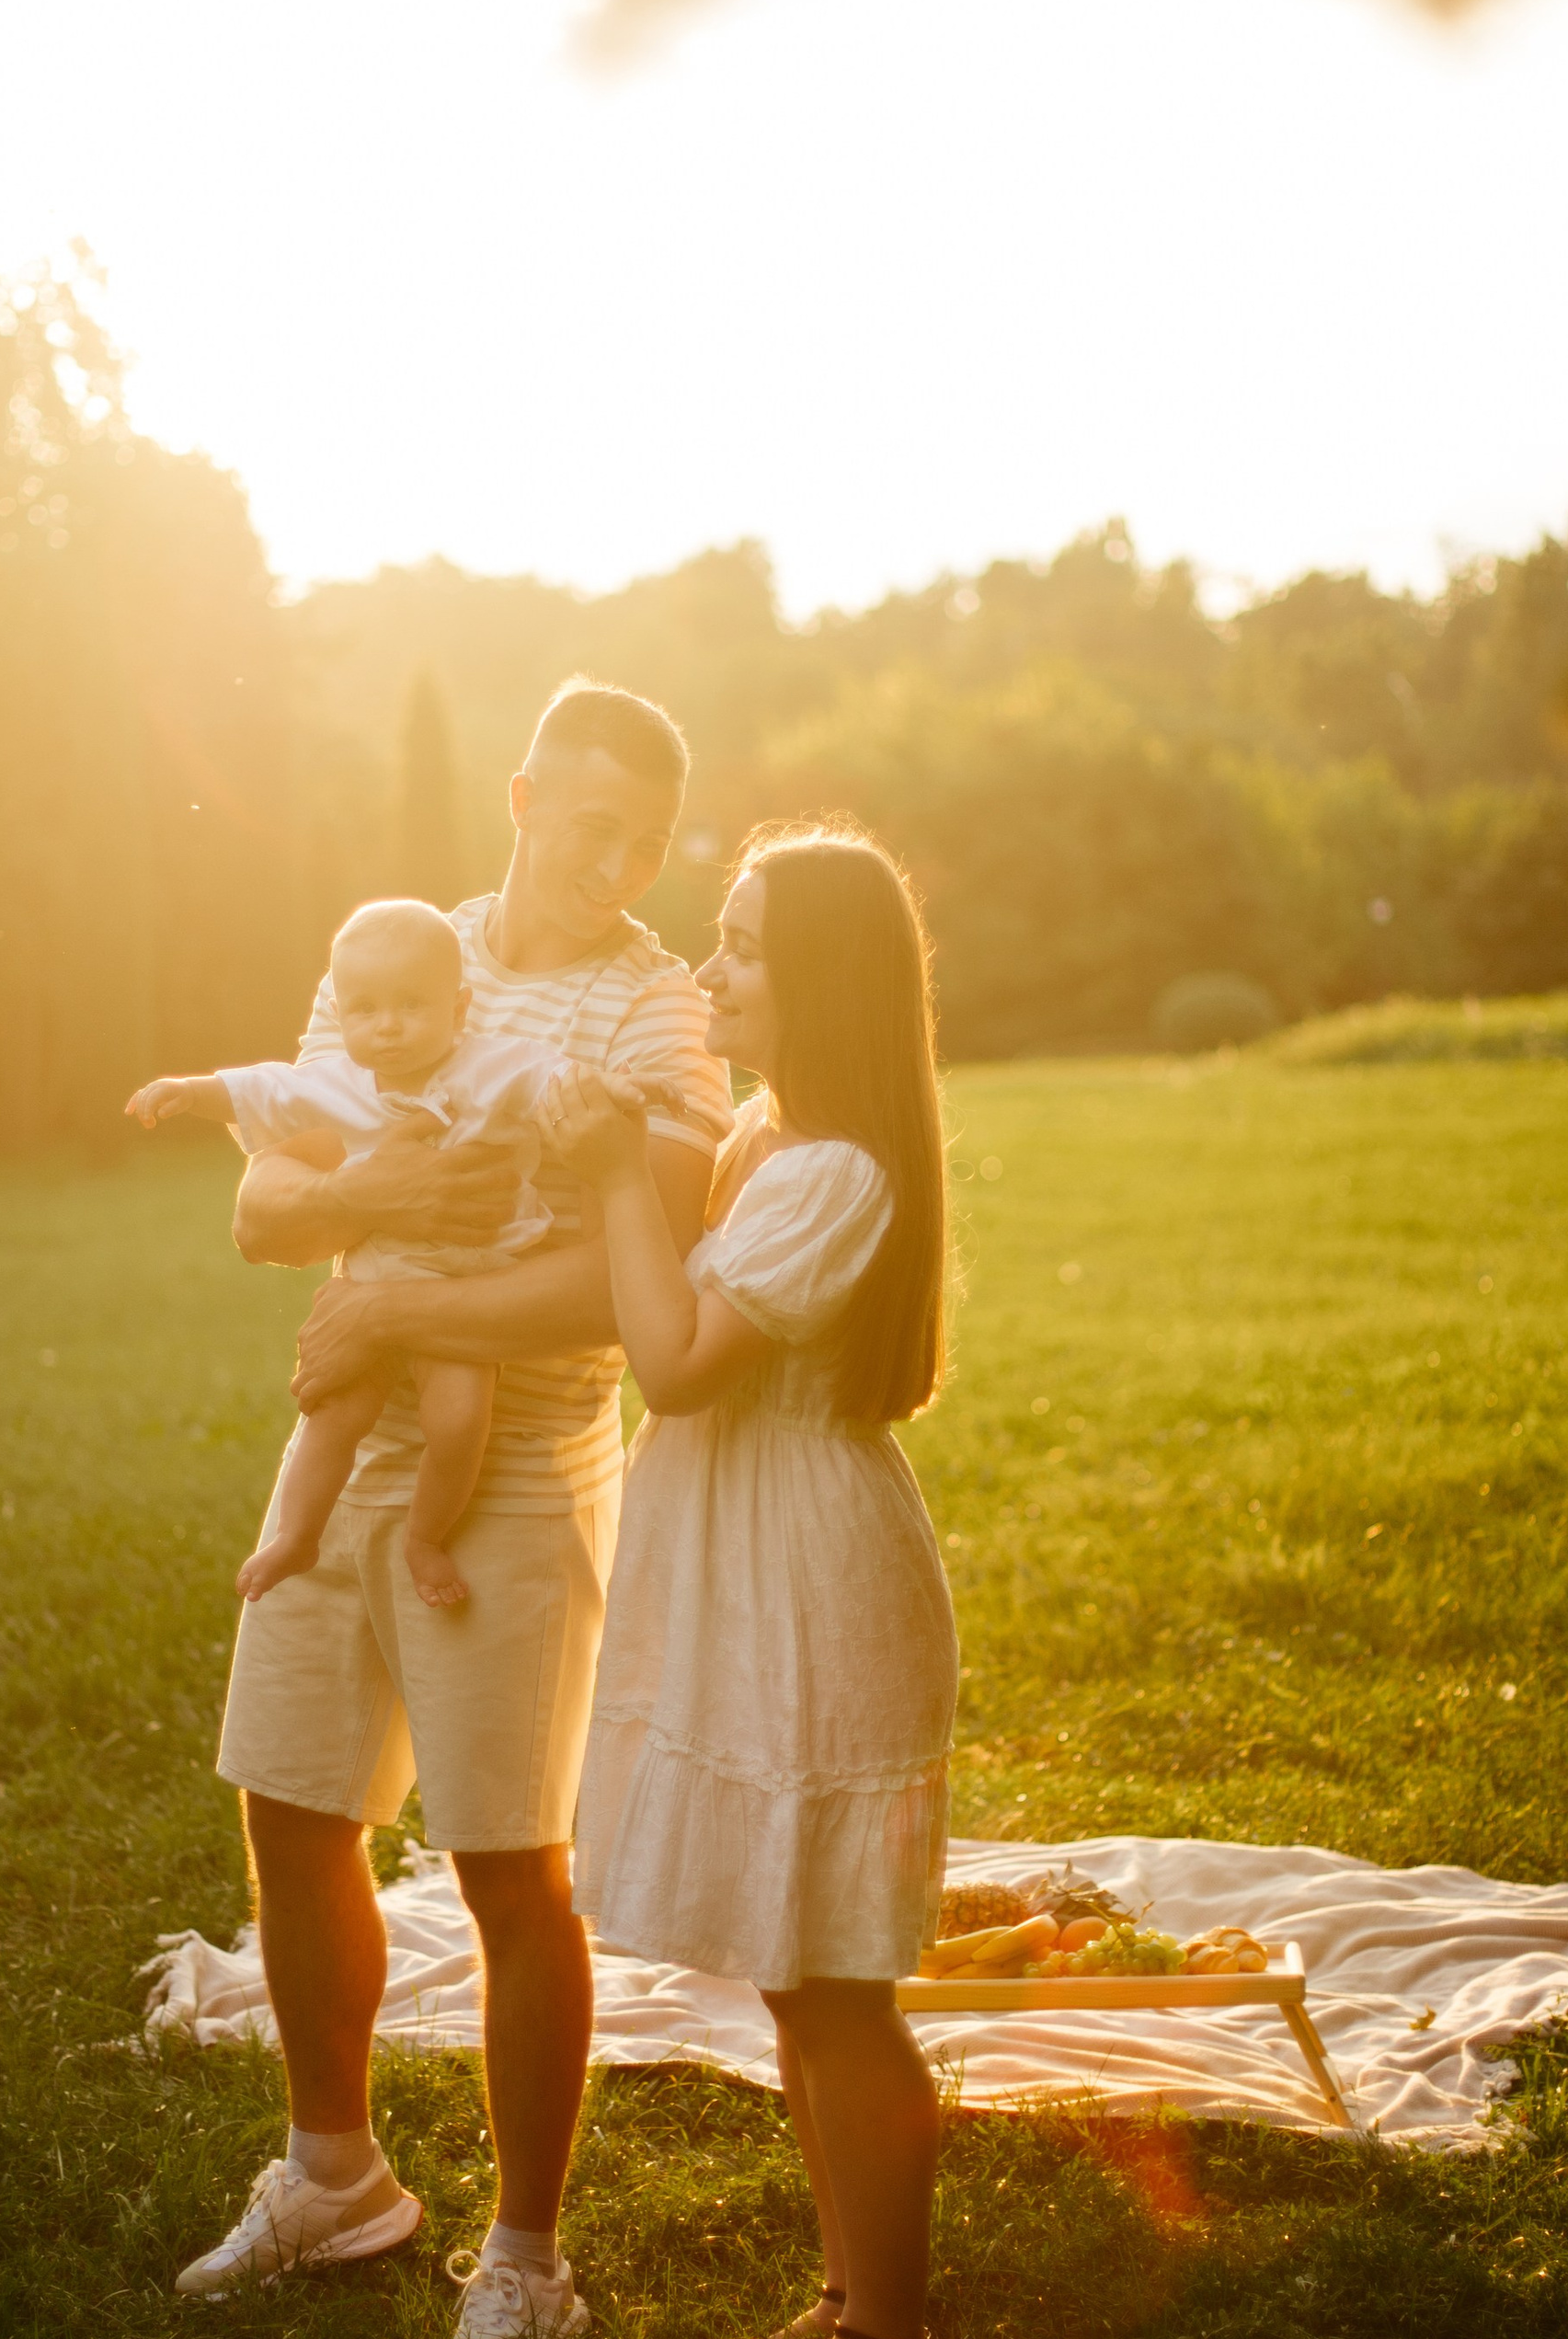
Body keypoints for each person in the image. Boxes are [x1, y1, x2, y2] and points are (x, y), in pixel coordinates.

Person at [176, 682, 735, 2339]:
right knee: (290, 1809)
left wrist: (401, 1306)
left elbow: (640, 1277)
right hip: (355, 1449)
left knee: (508, 1868)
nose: (617, 866)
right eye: (588, 828)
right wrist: (381, 1202)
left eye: (645, 843)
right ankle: (334, 2177)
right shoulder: (408, 950)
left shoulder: (662, 1011)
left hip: (526, 1468)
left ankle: (528, 2263)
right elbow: (266, 1207)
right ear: (518, 796)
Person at [544, 822, 957, 2339]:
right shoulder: (764, 1138)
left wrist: (609, 1180)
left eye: (742, 944)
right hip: (744, 1563)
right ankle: (848, 2293)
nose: (710, 965)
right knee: (799, 1975)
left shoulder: (836, 1172)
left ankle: (890, 2322)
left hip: (809, 1583)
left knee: (838, 1985)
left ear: (825, 982)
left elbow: (679, 1363)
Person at [127, 897, 658, 1611]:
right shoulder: (341, 1078)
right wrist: (192, 1092)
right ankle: (298, 1535)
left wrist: (618, 1089)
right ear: (342, 1014)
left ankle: (426, 1536)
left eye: (411, 1006)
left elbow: (556, 1080)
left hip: (462, 1285)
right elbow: (265, 1090)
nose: (388, 1026)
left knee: (460, 1421)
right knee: (333, 1414)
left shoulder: (491, 1066)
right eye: (366, 1010)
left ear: (459, 1006)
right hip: (377, 1271)